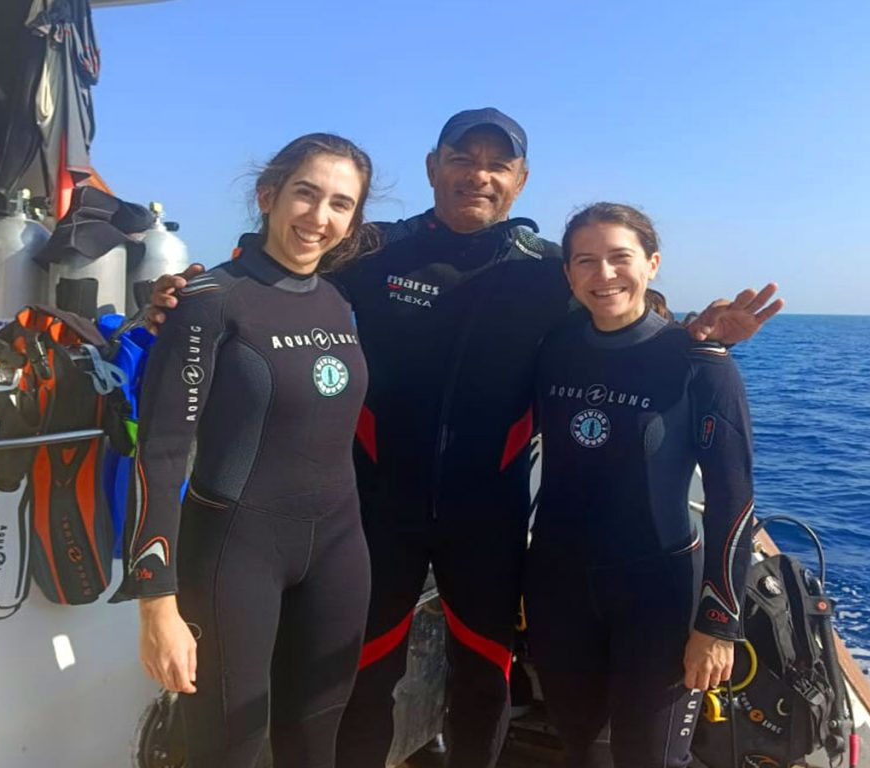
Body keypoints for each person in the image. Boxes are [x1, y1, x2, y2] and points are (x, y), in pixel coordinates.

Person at [148, 108, 782, 768]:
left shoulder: (549, 269)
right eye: (461, 159)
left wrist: (697, 335)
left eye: (497, 164)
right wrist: (177, 293)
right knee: (363, 677)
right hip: (374, 514)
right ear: (433, 168)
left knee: (482, 679)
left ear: (520, 180)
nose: (478, 175)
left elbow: (624, 318)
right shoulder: (372, 249)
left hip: (488, 518)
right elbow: (271, 272)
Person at [113, 133, 378, 768]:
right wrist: (156, 603)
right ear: (268, 195)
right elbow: (162, 452)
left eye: (340, 204)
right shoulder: (208, 301)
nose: (319, 217)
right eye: (306, 193)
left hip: (339, 549)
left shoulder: (340, 301)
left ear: (353, 221)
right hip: (235, 552)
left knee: (316, 740)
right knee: (229, 748)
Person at [526, 203, 755, 767]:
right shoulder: (552, 349)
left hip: (657, 593)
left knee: (648, 757)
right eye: (586, 260)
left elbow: (731, 498)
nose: (604, 274)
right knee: (580, 748)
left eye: (619, 257)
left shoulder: (701, 363)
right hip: (558, 588)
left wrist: (718, 623)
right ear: (568, 274)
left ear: (652, 264)